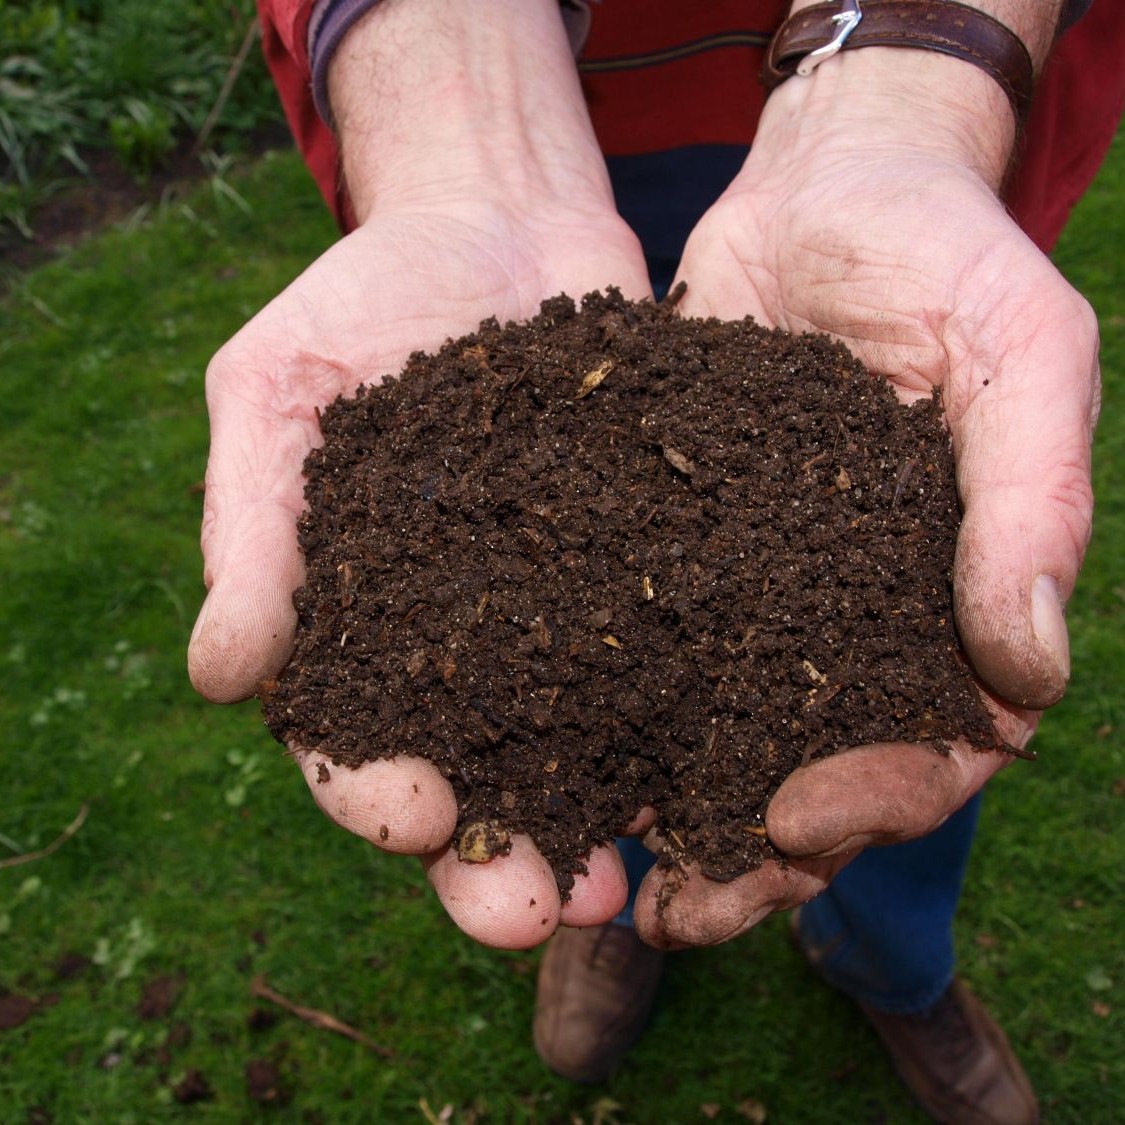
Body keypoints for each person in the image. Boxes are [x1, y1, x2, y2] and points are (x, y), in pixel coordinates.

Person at [188, 1, 1125, 1121]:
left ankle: (895, 965)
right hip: (560, 109)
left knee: (925, 686)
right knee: (612, 775)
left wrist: (912, 85)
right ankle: (623, 906)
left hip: (929, 119)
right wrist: (465, 117)